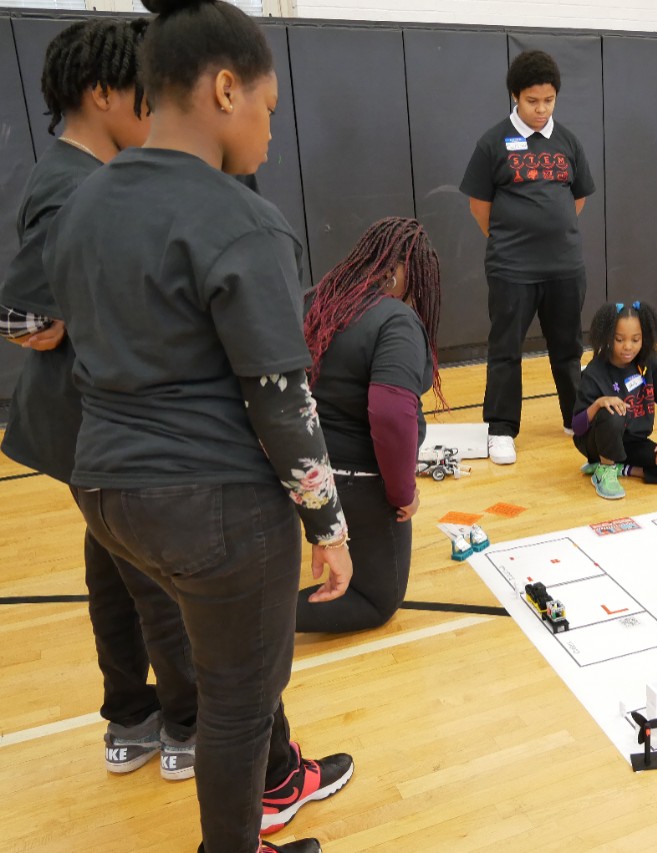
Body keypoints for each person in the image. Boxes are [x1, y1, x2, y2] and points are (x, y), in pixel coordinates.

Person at [41, 0, 355, 850]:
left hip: (105, 491)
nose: (269, 131)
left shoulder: (83, 200)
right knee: (239, 704)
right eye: (268, 107)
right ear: (225, 88)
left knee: (206, 673)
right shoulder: (241, 218)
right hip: (210, 501)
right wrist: (328, 527)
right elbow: (281, 398)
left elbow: (55, 333)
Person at [0, 18, 201, 782]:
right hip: (99, 426)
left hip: (89, 432)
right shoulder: (76, 183)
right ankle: (184, 723)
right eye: (146, 92)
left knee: (112, 568)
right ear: (104, 93)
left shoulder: (78, 172)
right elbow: (20, 307)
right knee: (155, 580)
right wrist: (47, 322)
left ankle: (129, 717)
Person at [295, 217, 443, 633]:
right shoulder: (395, 319)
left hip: (303, 473)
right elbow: (391, 416)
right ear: (397, 273)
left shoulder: (315, 300)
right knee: (375, 600)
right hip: (358, 483)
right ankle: (233, 624)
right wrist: (403, 493)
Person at [460, 49, 595, 466]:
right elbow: (479, 207)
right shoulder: (492, 142)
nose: (541, 109)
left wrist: (553, 235)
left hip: (564, 267)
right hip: (511, 268)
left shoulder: (568, 141)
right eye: (532, 101)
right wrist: (514, 240)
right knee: (506, 349)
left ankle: (576, 417)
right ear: (515, 97)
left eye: (548, 100)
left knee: (568, 347)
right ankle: (501, 429)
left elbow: (578, 198)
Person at [571, 301, 657, 500]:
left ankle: (624, 469)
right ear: (608, 337)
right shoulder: (595, 371)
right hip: (596, 443)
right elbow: (578, 428)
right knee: (611, 411)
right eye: (619, 339)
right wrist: (598, 403)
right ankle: (605, 468)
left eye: (635, 339)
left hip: (633, 444)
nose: (628, 347)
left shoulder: (649, 361)